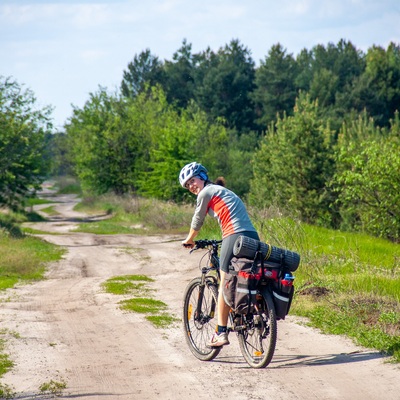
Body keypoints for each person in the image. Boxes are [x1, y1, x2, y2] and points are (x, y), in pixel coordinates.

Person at [179, 162, 259, 347]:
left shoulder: (206, 192)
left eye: (192, 180)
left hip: (233, 234)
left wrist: (189, 239)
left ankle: (221, 332)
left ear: (202, 177)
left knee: (224, 283)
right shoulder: (224, 192)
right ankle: (250, 313)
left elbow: (197, 219)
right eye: (187, 185)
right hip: (252, 237)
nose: (191, 186)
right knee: (244, 275)